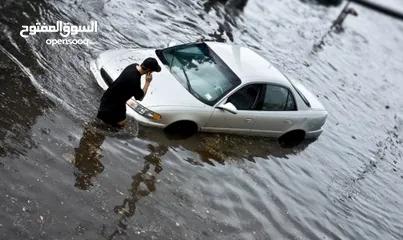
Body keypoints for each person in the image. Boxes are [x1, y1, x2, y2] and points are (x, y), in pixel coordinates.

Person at [97, 57, 161, 127]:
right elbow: (140, 98)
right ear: (148, 70)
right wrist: (147, 82)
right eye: (152, 71)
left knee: (107, 122)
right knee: (118, 125)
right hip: (113, 105)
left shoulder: (133, 66)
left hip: (109, 97)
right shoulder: (135, 80)